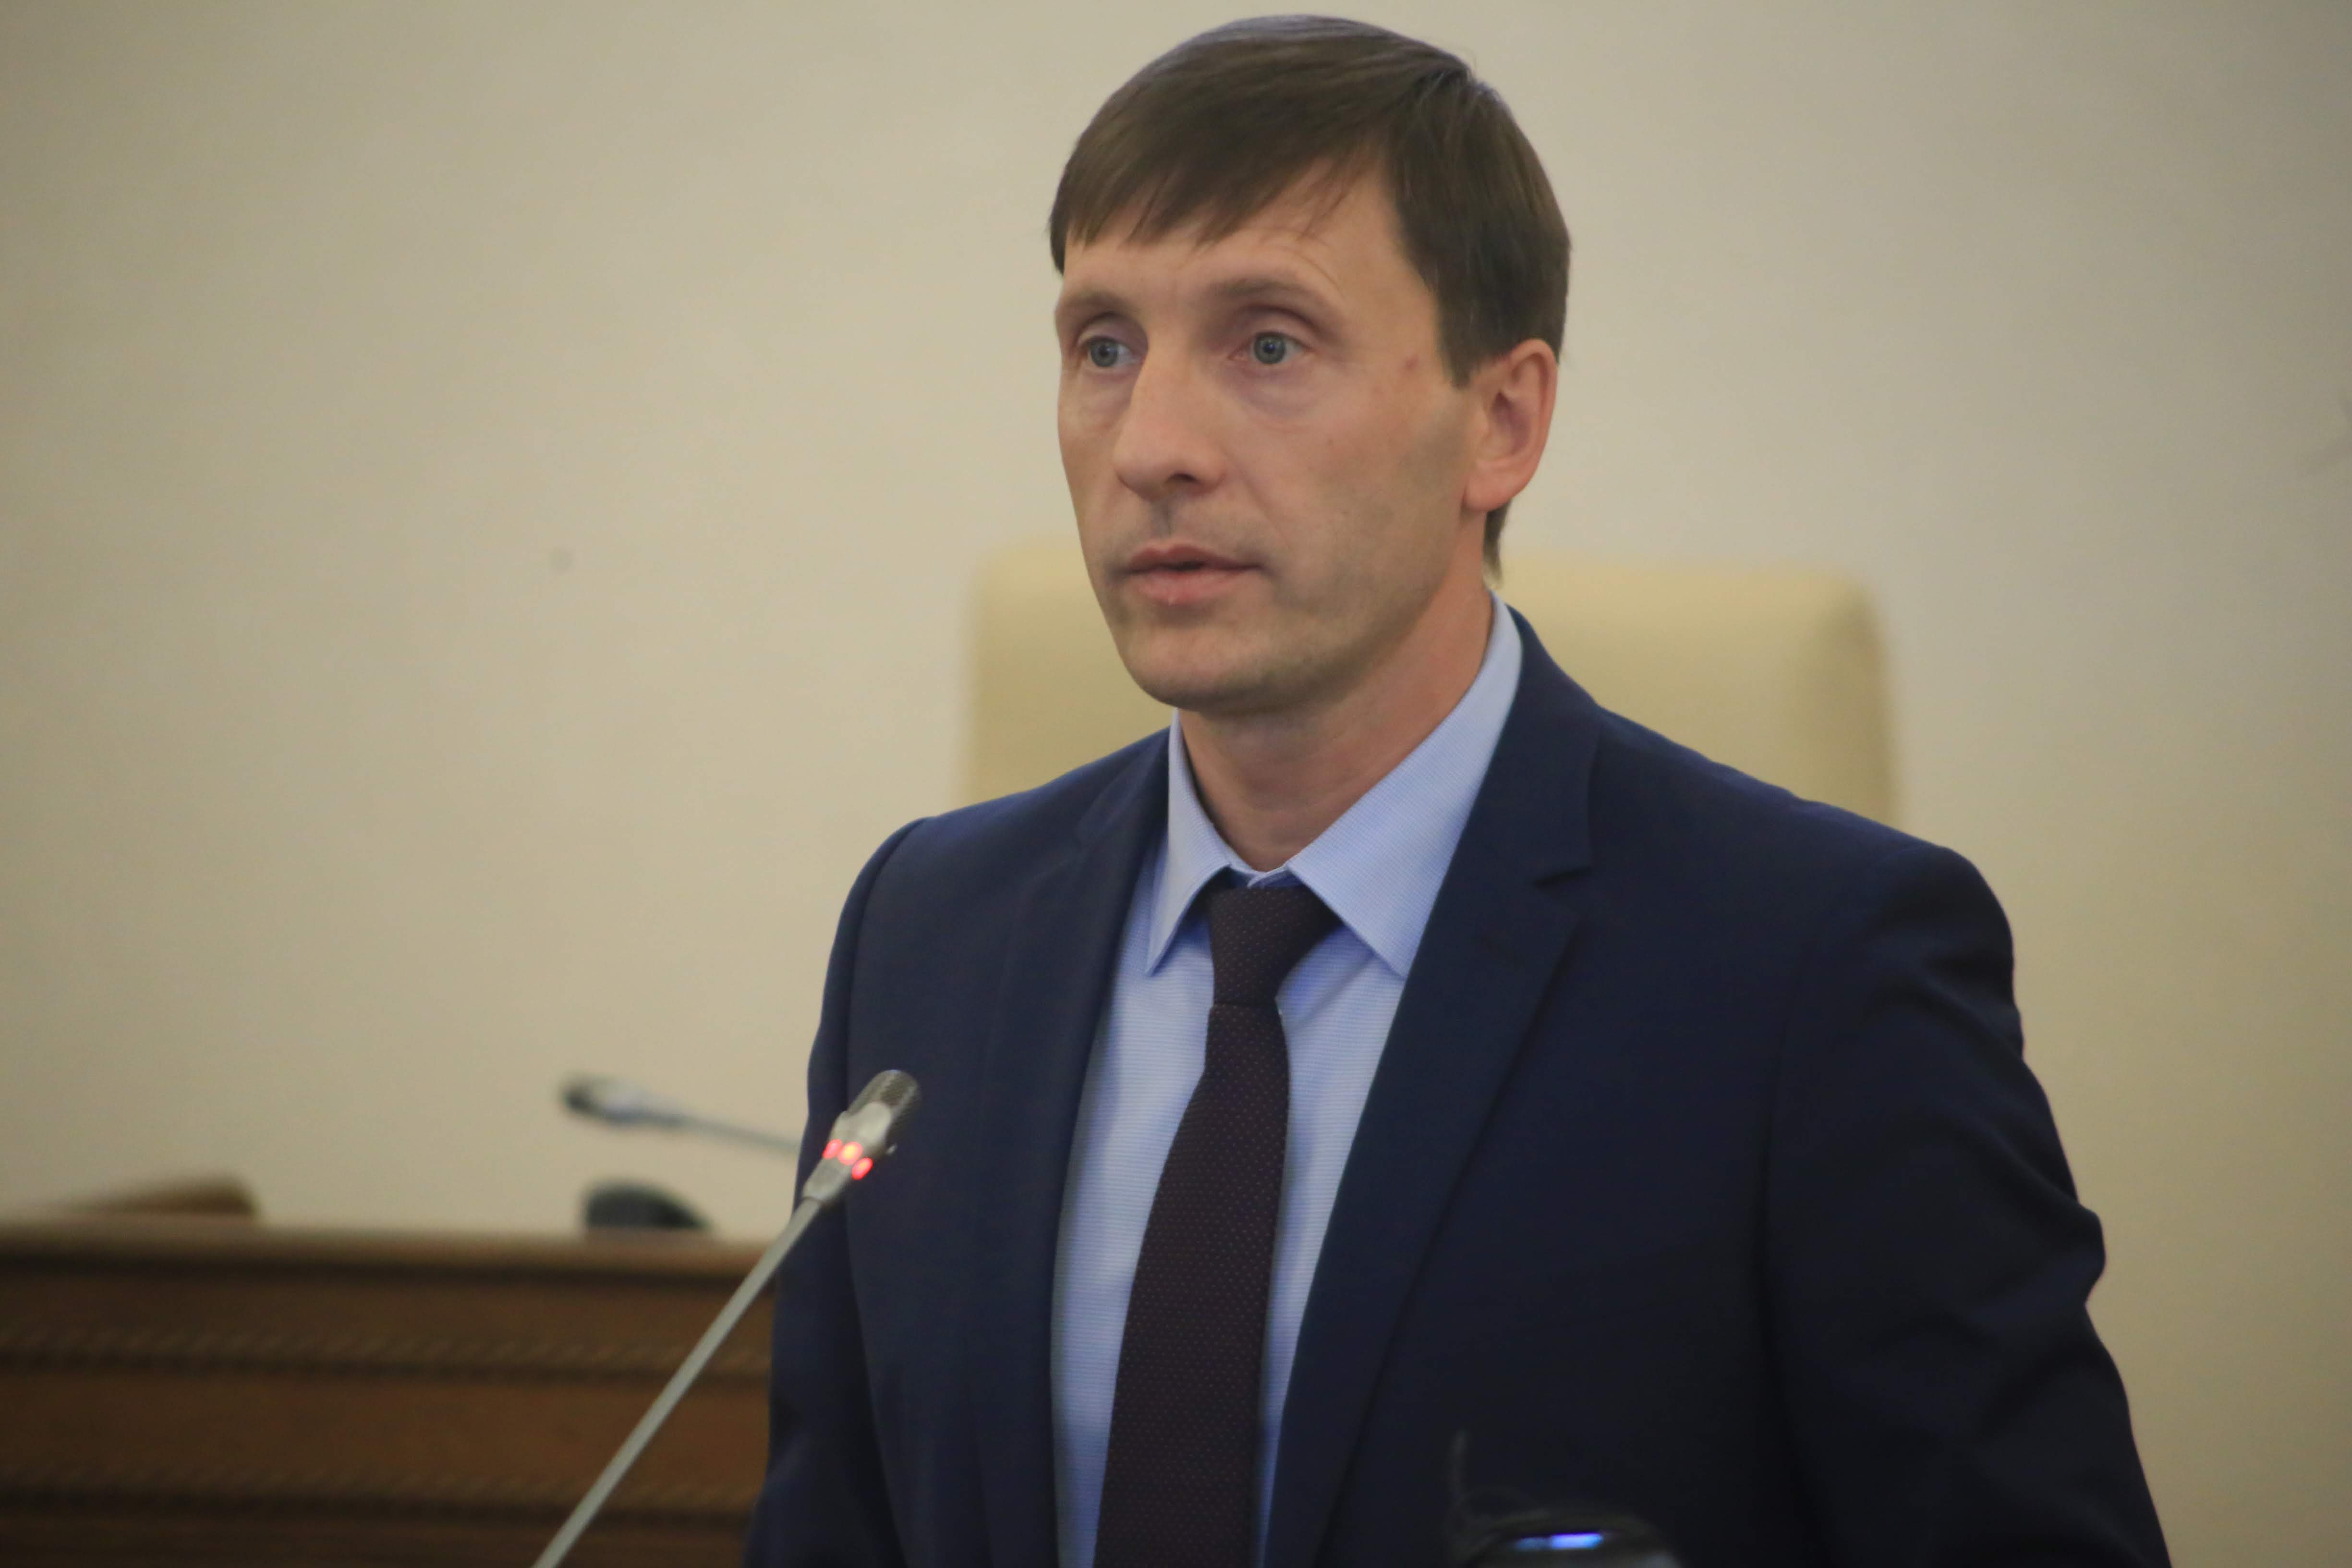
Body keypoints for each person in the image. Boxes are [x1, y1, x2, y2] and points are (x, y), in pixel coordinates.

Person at [745, 17, 2170, 1568]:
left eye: (1268, 343)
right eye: (1103, 346)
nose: (1151, 445)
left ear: (1502, 421)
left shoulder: (1815, 968)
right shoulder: (930, 930)